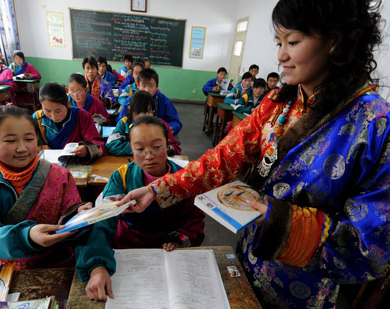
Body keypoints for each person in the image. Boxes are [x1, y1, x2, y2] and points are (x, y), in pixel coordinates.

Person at [117, 0, 390, 307]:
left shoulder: (374, 124)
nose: (280, 55)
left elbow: (373, 245)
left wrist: (278, 220)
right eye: (279, 42)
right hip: (249, 257)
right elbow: (222, 158)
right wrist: (158, 188)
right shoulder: (278, 102)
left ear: (335, 41)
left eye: (293, 42)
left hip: (304, 287)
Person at [0, 105, 110, 299]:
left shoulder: (60, 175)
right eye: (10, 140)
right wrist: (27, 236)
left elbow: (77, 235)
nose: (22, 148)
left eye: (29, 139)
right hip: (10, 266)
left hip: (61, 261)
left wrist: (80, 218)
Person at [84, 116, 205, 301]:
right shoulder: (121, 177)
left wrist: (179, 237)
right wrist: (97, 265)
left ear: (168, 145)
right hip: (126, 245)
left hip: (168, 248)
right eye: (140, 149)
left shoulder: (183, 179)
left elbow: (194, 218)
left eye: (157, 147)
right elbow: (103, 220)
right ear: (131, 149)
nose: (149, 156)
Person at [32, 82, 106, 163]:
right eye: (47, 111)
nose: (54, 116)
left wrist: (87, 150)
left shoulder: (82, 116)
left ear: (68, 104)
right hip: (46, 165)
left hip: (75, 164)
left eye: (58, 111)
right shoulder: (37, 119)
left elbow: (100, 146)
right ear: (41, 106)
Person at [107, 90, 181, 156]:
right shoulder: (124, 123)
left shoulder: (160, 124)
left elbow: (176, 148)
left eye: (149, 111)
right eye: (141, 112)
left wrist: (168, 149)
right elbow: (111, 145)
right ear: (133, 113)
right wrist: (138, 148)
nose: (146, 115)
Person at [116, 68, 182, 135]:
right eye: (143, 86)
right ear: (138, 86)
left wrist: (167, 130)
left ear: (157, 86)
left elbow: (175, 122)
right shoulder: (130, 101)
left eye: (151, 86)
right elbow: (121, 120)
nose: (147, 90)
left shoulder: (164, 101)